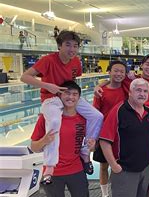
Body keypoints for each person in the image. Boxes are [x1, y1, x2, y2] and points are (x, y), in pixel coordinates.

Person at [21, 30, 103, 184]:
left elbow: (73, 80)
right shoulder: (48, 60)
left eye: (75, 46)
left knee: (97, 116)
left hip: (70, 97)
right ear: (59, 46)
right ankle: (50, 164)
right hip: (51, 98)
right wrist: (47, 85)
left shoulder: (76, 62)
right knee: (53, 123)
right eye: (68, 45)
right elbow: (24, 76)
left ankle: (85, 152)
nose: (72, 49)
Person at [30, 81, 99, 197]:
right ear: (60, 95)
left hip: (76, 169)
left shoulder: (83, 119)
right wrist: (44, 140)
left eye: (75, 94)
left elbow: (86, 145)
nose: (70, 97)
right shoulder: (47, 119)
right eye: (67, 93)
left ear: (79, 98)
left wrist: (92, 146)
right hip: (54, 172)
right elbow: (34, 147)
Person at [99, 78, 149, 197]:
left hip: (145, 167)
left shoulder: (148, 112)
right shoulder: (119, 111)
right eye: (138, 90)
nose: (142, 94)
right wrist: (114, 166)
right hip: (124, 169)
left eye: (145, 91)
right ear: (130, 92)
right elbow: (104, 140)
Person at [92, 60, 128, 197]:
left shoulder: (126, 88)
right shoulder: (101, 92)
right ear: (109, 71)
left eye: (122, 71)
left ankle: (119, 195)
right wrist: (94, 137)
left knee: (121, 166)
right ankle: (105, 196)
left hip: (122, 134)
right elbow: (95, 115)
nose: (119, 74)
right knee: (103, 166)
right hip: (105, 134)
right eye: (116, 71)